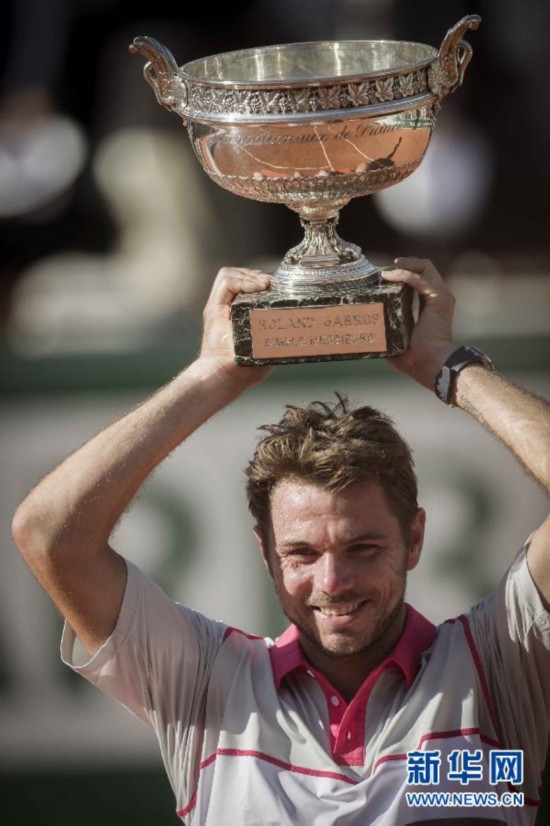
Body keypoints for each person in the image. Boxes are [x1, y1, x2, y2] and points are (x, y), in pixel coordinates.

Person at [12, 258, 550, 825]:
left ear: (414, 538)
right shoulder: (206, 686)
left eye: (362, 549)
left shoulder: (499, 666)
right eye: (301, 554)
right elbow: (49, 535)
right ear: (265, 553)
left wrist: (442, 363)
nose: (332, 582)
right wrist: (212, 374)